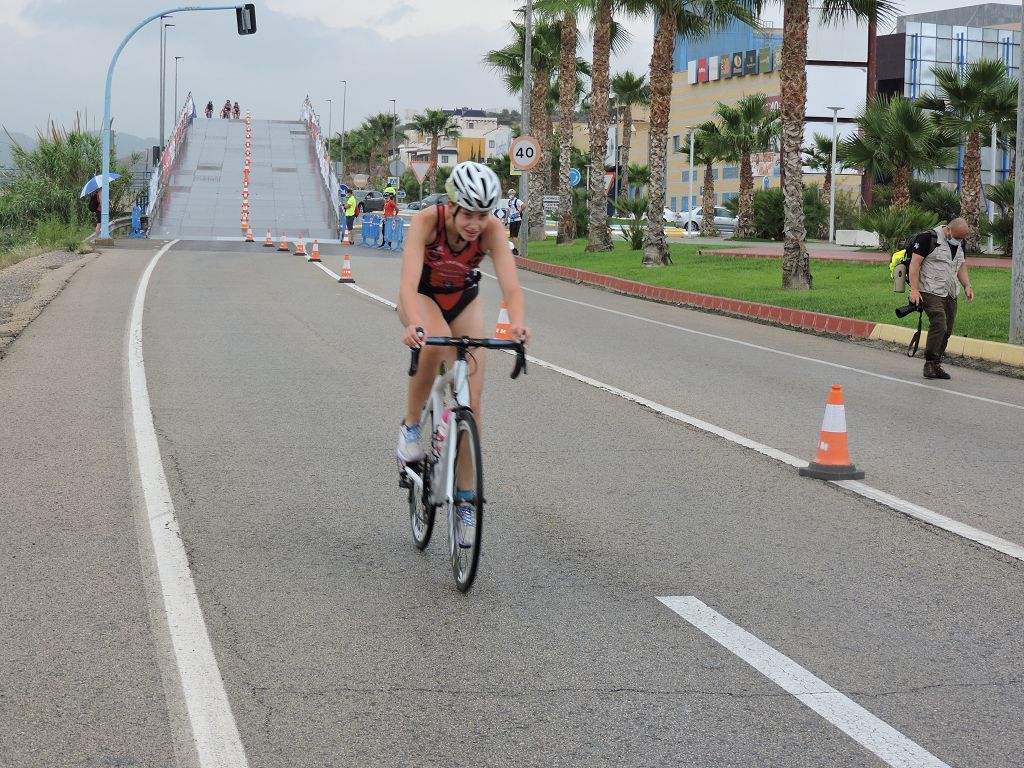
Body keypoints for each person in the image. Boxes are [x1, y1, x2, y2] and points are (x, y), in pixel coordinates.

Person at [396, 162, 530, 546]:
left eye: (482, 215)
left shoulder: (491, 231)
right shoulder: (427, 222)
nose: (475, 223)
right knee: (435, 341)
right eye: (468, 214)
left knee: (473, 396)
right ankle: (409, 428)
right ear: (452, 207)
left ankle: (467, 499)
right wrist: (412, 325)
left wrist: (518, 325)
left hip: (463, 299)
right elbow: (407, 283)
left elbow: (513, 288)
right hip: (422, 297)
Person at [907, 217, 974, 380]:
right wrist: (914, 290)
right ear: (949, 230)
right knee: (939, 322)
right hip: (929, 290)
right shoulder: (928, 238)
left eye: (961, 238)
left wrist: (967, 285)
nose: (958, 241)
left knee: (947, 329)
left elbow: (961, 265)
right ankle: (929, 363)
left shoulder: (959, 243)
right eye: (956, 237)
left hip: (950, 291)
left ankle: (936, 364)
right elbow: (914, 264)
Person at [506, 187, 523, 256]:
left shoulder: (517, 201)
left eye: (512, 194)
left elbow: (524, 206)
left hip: (517, 220)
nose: (510, 195)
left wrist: (519, 212)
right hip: (512, 220)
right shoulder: (509, 202)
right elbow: (508, 210)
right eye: (509, 194)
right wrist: (506, 219)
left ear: (514, 194)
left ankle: (515, 250)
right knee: (512, 235)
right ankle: (513, 249)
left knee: (515, 235)